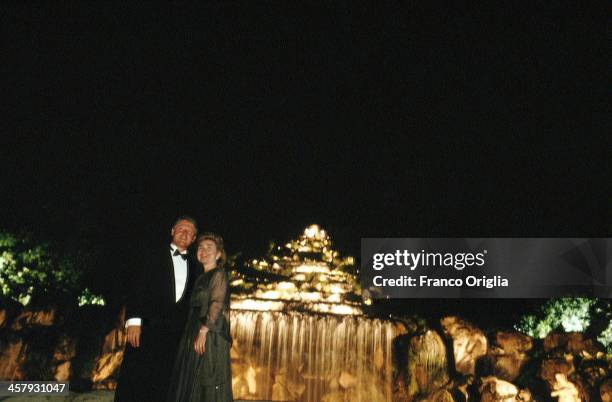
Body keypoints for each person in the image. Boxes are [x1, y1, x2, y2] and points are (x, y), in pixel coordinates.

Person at [114, 216, 200, 402]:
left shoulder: (195, 266)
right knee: (134, 379)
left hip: (175, 336)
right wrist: (134, 321)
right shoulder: (152, 254)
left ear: (193, 239)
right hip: (146, 329)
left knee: (164, 384)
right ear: (172, 231)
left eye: (190, 231)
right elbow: (136, 286)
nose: (184, 233)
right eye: (181, 229)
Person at [167, 232, 233, 402]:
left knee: (207, 376)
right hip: (194, 328)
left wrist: (203, 331)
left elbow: (217, 303)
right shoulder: (200, 277)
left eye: (209, 248)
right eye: (201, 247)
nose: (203, 251)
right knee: (191, 377)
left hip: (209, 332)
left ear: (219, 254)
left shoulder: (218, 274)